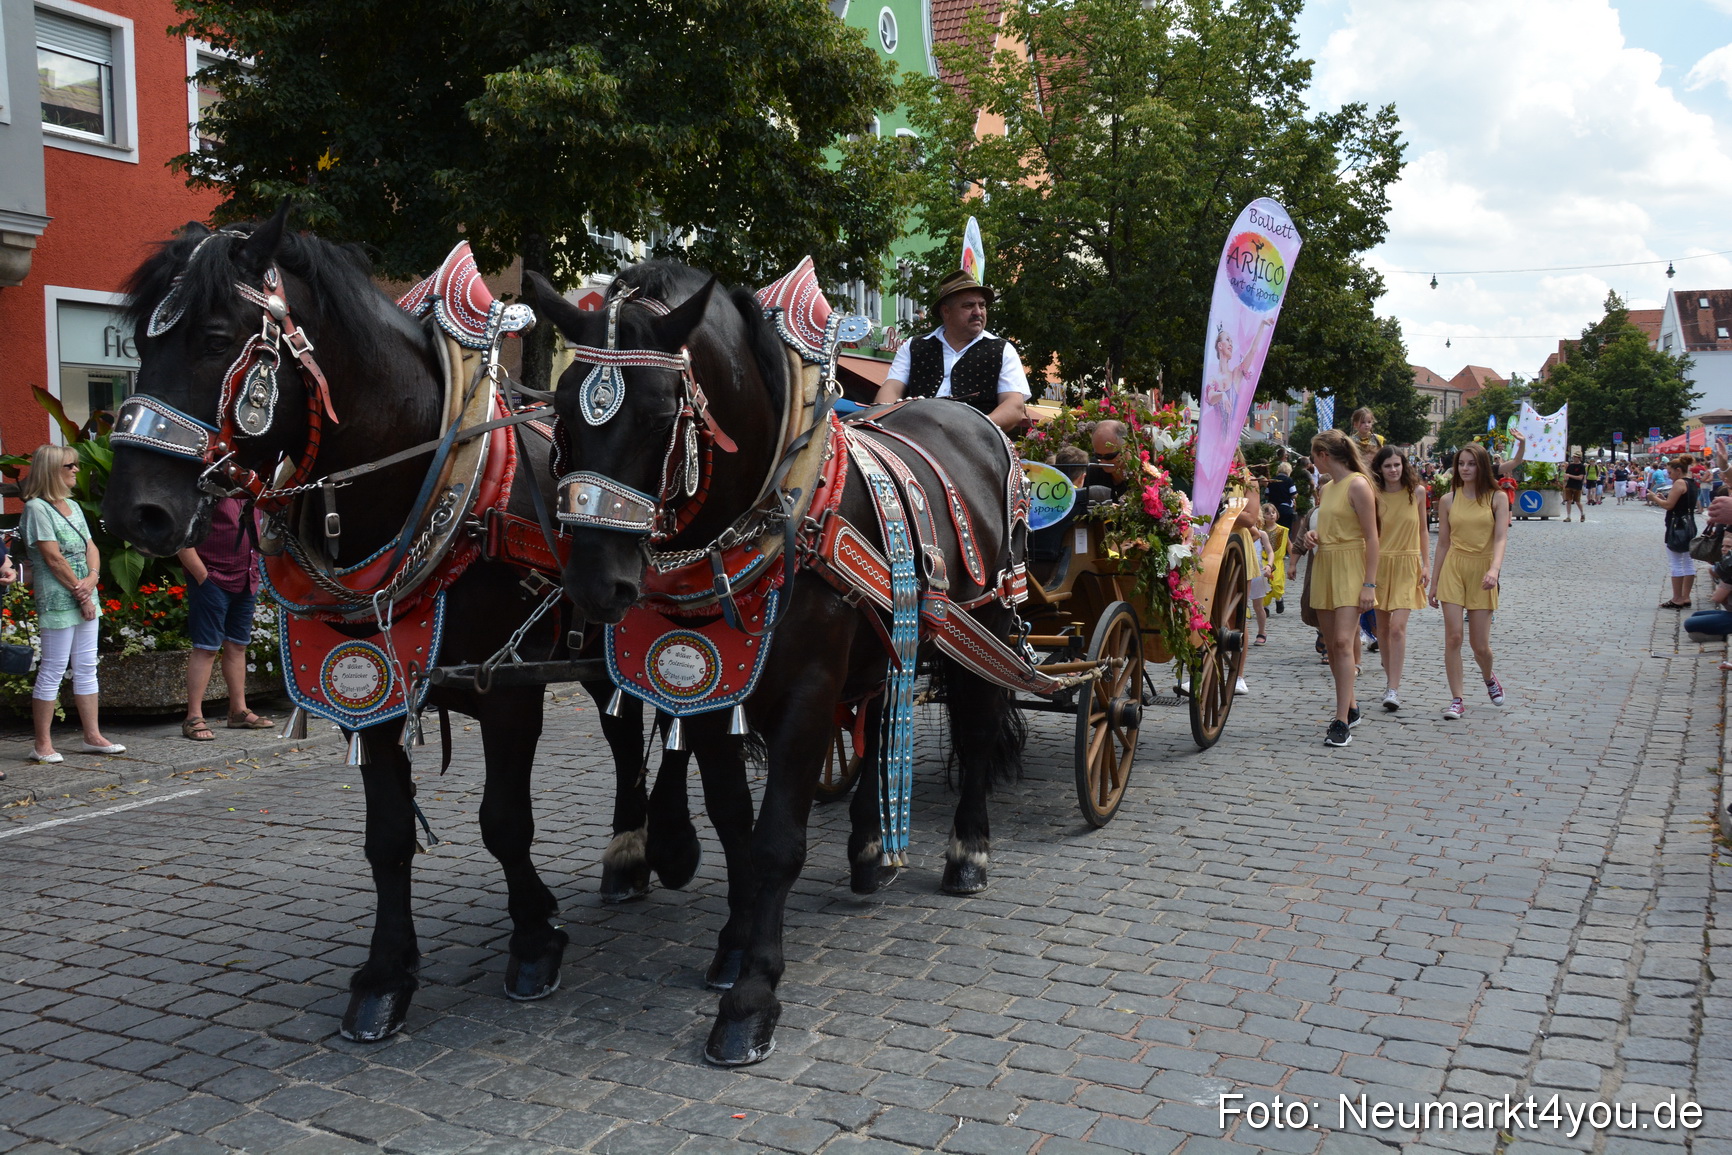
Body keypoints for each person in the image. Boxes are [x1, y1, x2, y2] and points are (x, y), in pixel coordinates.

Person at [19, 445, 124, 763]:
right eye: (70, 465)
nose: (76, 469)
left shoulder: (73, 506)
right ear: (52, 470)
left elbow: (90, 545)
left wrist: (92, 577)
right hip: (59, 594)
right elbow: (52, 557)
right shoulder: (37, 508)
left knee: (86, 665)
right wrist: (82, 592)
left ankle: (92, 735)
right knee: (53, 668)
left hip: (83, 589)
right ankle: (42, 743)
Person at [876, 270, 1030, 433]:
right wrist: (880, 423)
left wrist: (974, 429)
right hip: (914, 434)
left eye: (982, 305)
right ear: (946, 312)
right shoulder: (914, 346)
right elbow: (891, 389)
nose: (978, 312)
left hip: (976, 442)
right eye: (968, 306)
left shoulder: (1002, 350)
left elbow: (1014, 406)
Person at [1303, 430, 1379, 747]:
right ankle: (1351, 705)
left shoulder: (1358, 484)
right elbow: (1330, 526)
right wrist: (1313, 537)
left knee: (1344, 643)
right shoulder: (1329, 488)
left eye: (1313, 455)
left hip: (1350, 567)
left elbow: (1372, 538)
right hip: (1326, 566)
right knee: (1332, 645)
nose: (1312, 461)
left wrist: (1369, 584)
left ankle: (1340, 720)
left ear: (1323, 455)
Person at [177, 496, 273, 739]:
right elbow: (181, 535)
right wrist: (202, 576)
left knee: (238, 645)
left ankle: (238, 711)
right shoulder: (207, 488)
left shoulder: (250, 489)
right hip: (212, 579)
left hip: (246, 576)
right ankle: (193, 717)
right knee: (206, 648)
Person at [1429, 442, 1510, 719]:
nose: (1465, 468)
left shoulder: (1497, 498)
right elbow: (1442, 543)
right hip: (1454, 567)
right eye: (1461, 463)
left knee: (1480, 646)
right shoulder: (1448, 500)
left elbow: (1500, 537)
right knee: (1453, 637)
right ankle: (1457, 698)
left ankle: (1489, 677)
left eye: (1471, 463)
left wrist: (1494, 570)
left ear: (1482, 466)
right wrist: (1434, 582)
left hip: (1483, 571)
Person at [1371, 446, 1430, 712]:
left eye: (1396, 465)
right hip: (1380, 563)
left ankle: (1393, 687)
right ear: (1379, 469)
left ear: (1403, 465)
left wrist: (1426, 564)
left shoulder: (1416, 492)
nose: (1393, 470)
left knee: (1397, 628)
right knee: (1381, 629)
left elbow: (1424, 531)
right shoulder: (1374, 494)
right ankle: (1389, 678)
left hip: (1407, 562)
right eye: (1387, 466)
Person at [1650, 454, 1699, 609]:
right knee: (1688, 561)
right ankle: (1686, 597)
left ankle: (1677, 598)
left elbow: (1669, 505)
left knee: (1676, 562)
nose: (1669, 476)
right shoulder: (1691, 483)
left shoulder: (1679, 483)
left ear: (1678, 470)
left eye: (1670, 473)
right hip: (1689, 523)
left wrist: (1654, 498)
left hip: (1677, 525)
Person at [1259, 502, 1289, 621]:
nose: (1271, 515)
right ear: (1263, 516)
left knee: (1277, 584)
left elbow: (1289, 544)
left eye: (1273, 512)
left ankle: (1279, 599)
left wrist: (1292, 563)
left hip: (1277, 562)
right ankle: (1265, 606)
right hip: (1263, 561)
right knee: (1264, 585)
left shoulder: (1282, 530)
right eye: (1268, 513)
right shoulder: (1260, 531)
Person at [1266, 462, 1297, 534]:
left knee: (1273, 529)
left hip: (1273, 509)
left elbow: (1267, 495)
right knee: (1286, 531)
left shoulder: (1272, 480)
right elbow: (1294, 494)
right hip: (1285, 508)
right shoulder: (1289, 481)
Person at [1562, 453, 1587, 522]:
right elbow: (1566, 475)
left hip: (1577, 485)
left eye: (1576, 457)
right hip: (1569, 485)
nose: (1574, 458)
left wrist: (1569, 475)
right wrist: (1565, 478)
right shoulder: (1570, 466)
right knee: (1568, 501)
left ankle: (1582, 514)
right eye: (1574, 457)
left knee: (1577, 502)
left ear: (1579, 458)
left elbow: (1580, 477)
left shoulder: (1582, 466)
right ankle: (1568, 516)